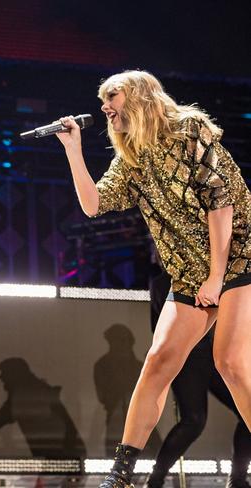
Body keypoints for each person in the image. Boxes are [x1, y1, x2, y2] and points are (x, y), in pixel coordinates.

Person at [54, 69, 251, 488]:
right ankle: (122, 473)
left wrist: (216, 277)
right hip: (189, 269)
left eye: (114, 97)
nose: (105, 107)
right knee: (159, 362)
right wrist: (74, 150)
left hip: (238, 257)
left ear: (141, 99)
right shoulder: (132, 157)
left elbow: (221, 204)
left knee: (230, 362)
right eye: (103, 99)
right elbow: (94, 205)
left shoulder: (188, 131)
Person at [144, 271, 251, 488]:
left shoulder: (218, 274)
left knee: (246, 412)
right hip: (187, 360)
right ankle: (155, 480)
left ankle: (237, 479)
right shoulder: (163, 282)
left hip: (215, 357)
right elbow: (162, 328)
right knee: (193, 421)